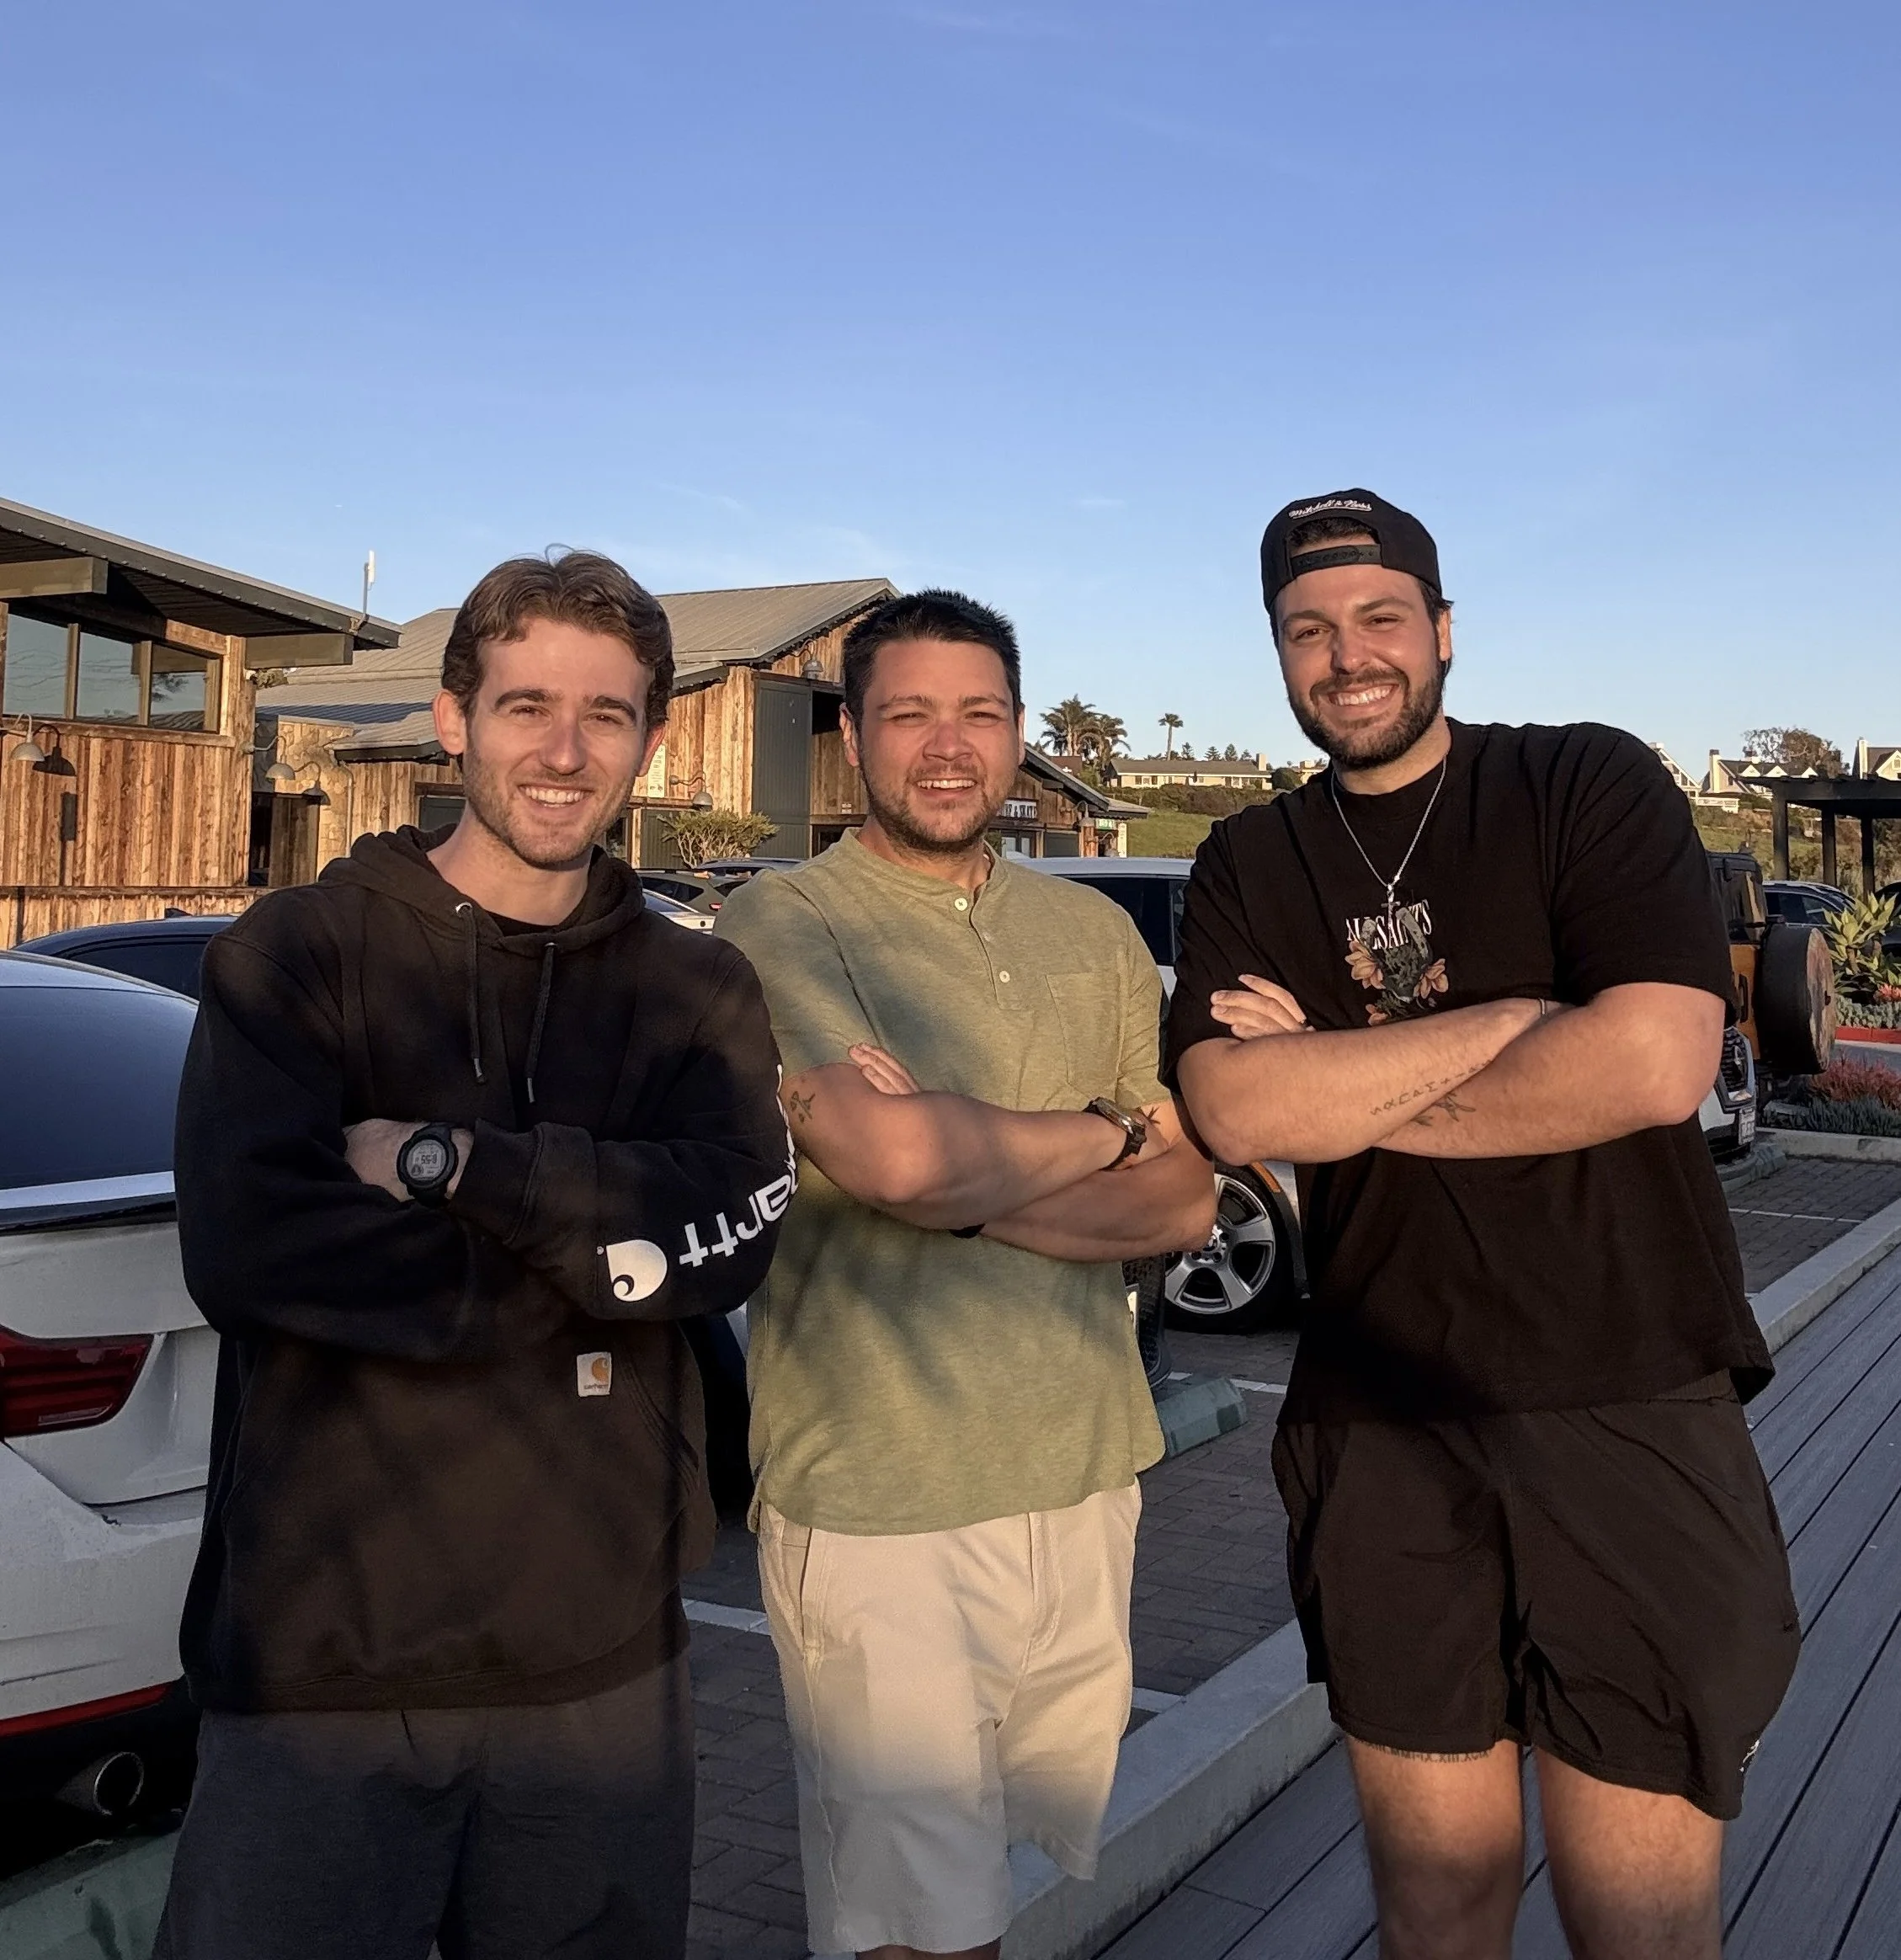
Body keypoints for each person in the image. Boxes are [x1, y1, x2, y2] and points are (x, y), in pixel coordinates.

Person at [1167, 491, 1799, 1960]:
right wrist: (1520, 1018)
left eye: (1381, 618)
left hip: (1626, 1392)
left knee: (1635, 1916)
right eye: (1307, 630)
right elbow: (1231, 1111)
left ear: (1442, 631)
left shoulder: (1582, 784)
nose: (1349, 656)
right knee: (1435, 1906)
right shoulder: (1253, 860)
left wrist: (1330, 1076)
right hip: (1378, 1415)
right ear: (1278, 654)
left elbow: (1648, 1061)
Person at [154, 551, 792, 1960]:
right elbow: (255, 1252)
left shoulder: (697, 985)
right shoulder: (297, 956)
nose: (563, 753)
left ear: (654, 740)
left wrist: (468, 1169)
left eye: (606, 716)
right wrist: (599, 1256)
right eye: (525, 706)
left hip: (598, 1670)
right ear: (454, 719)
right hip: (327, 1663)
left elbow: (732, 1234)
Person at [716, 589, 1217, 1960]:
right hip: (881, 1497)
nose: (948, 746)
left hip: (1084, 1466)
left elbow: (1181, 1199)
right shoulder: (785, 920)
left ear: (1015, 733)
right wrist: (1096, 1139)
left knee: (1001, 1878)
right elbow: (895, 1166)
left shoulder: (1094, 936)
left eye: (980, 713)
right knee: (913, 1928)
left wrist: (959, 1169)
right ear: (854, 737)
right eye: (909, 714)